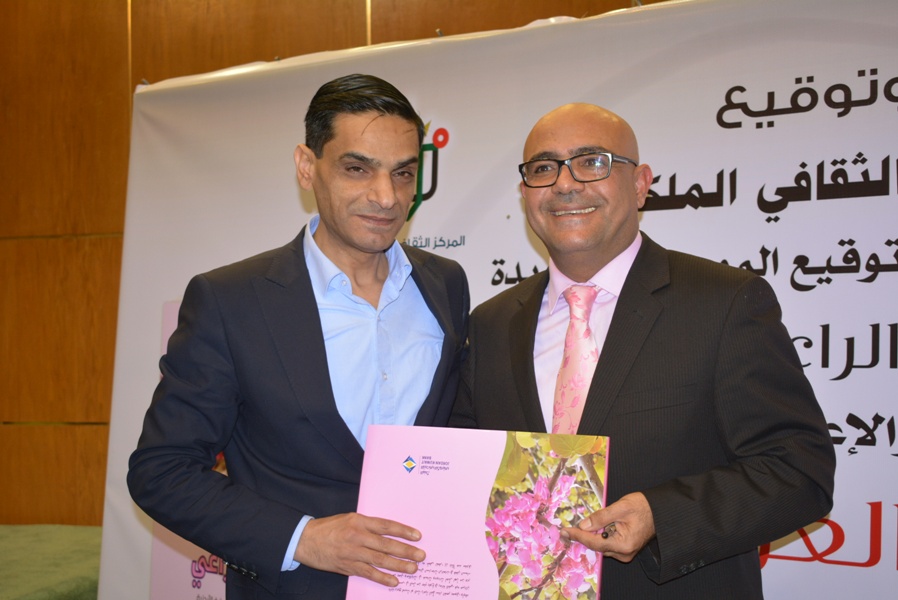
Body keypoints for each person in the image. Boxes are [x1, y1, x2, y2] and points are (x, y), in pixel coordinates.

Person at [449, 103, 835, 599]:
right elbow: (463, 465)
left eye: (592, 162)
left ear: (639, 184)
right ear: (525, 193)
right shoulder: (491, 323)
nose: (565, 184)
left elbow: (799, 469)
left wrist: (662, 516)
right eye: (543, 168)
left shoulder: (723, 303)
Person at [128, 74, 469, 600]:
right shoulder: (231, 300)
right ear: (307, 166)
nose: (387, 197)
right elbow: (161, 471)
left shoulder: (446, 284)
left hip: (428, 584)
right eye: (358, 169)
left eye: (403, 173)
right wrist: (302, 538)